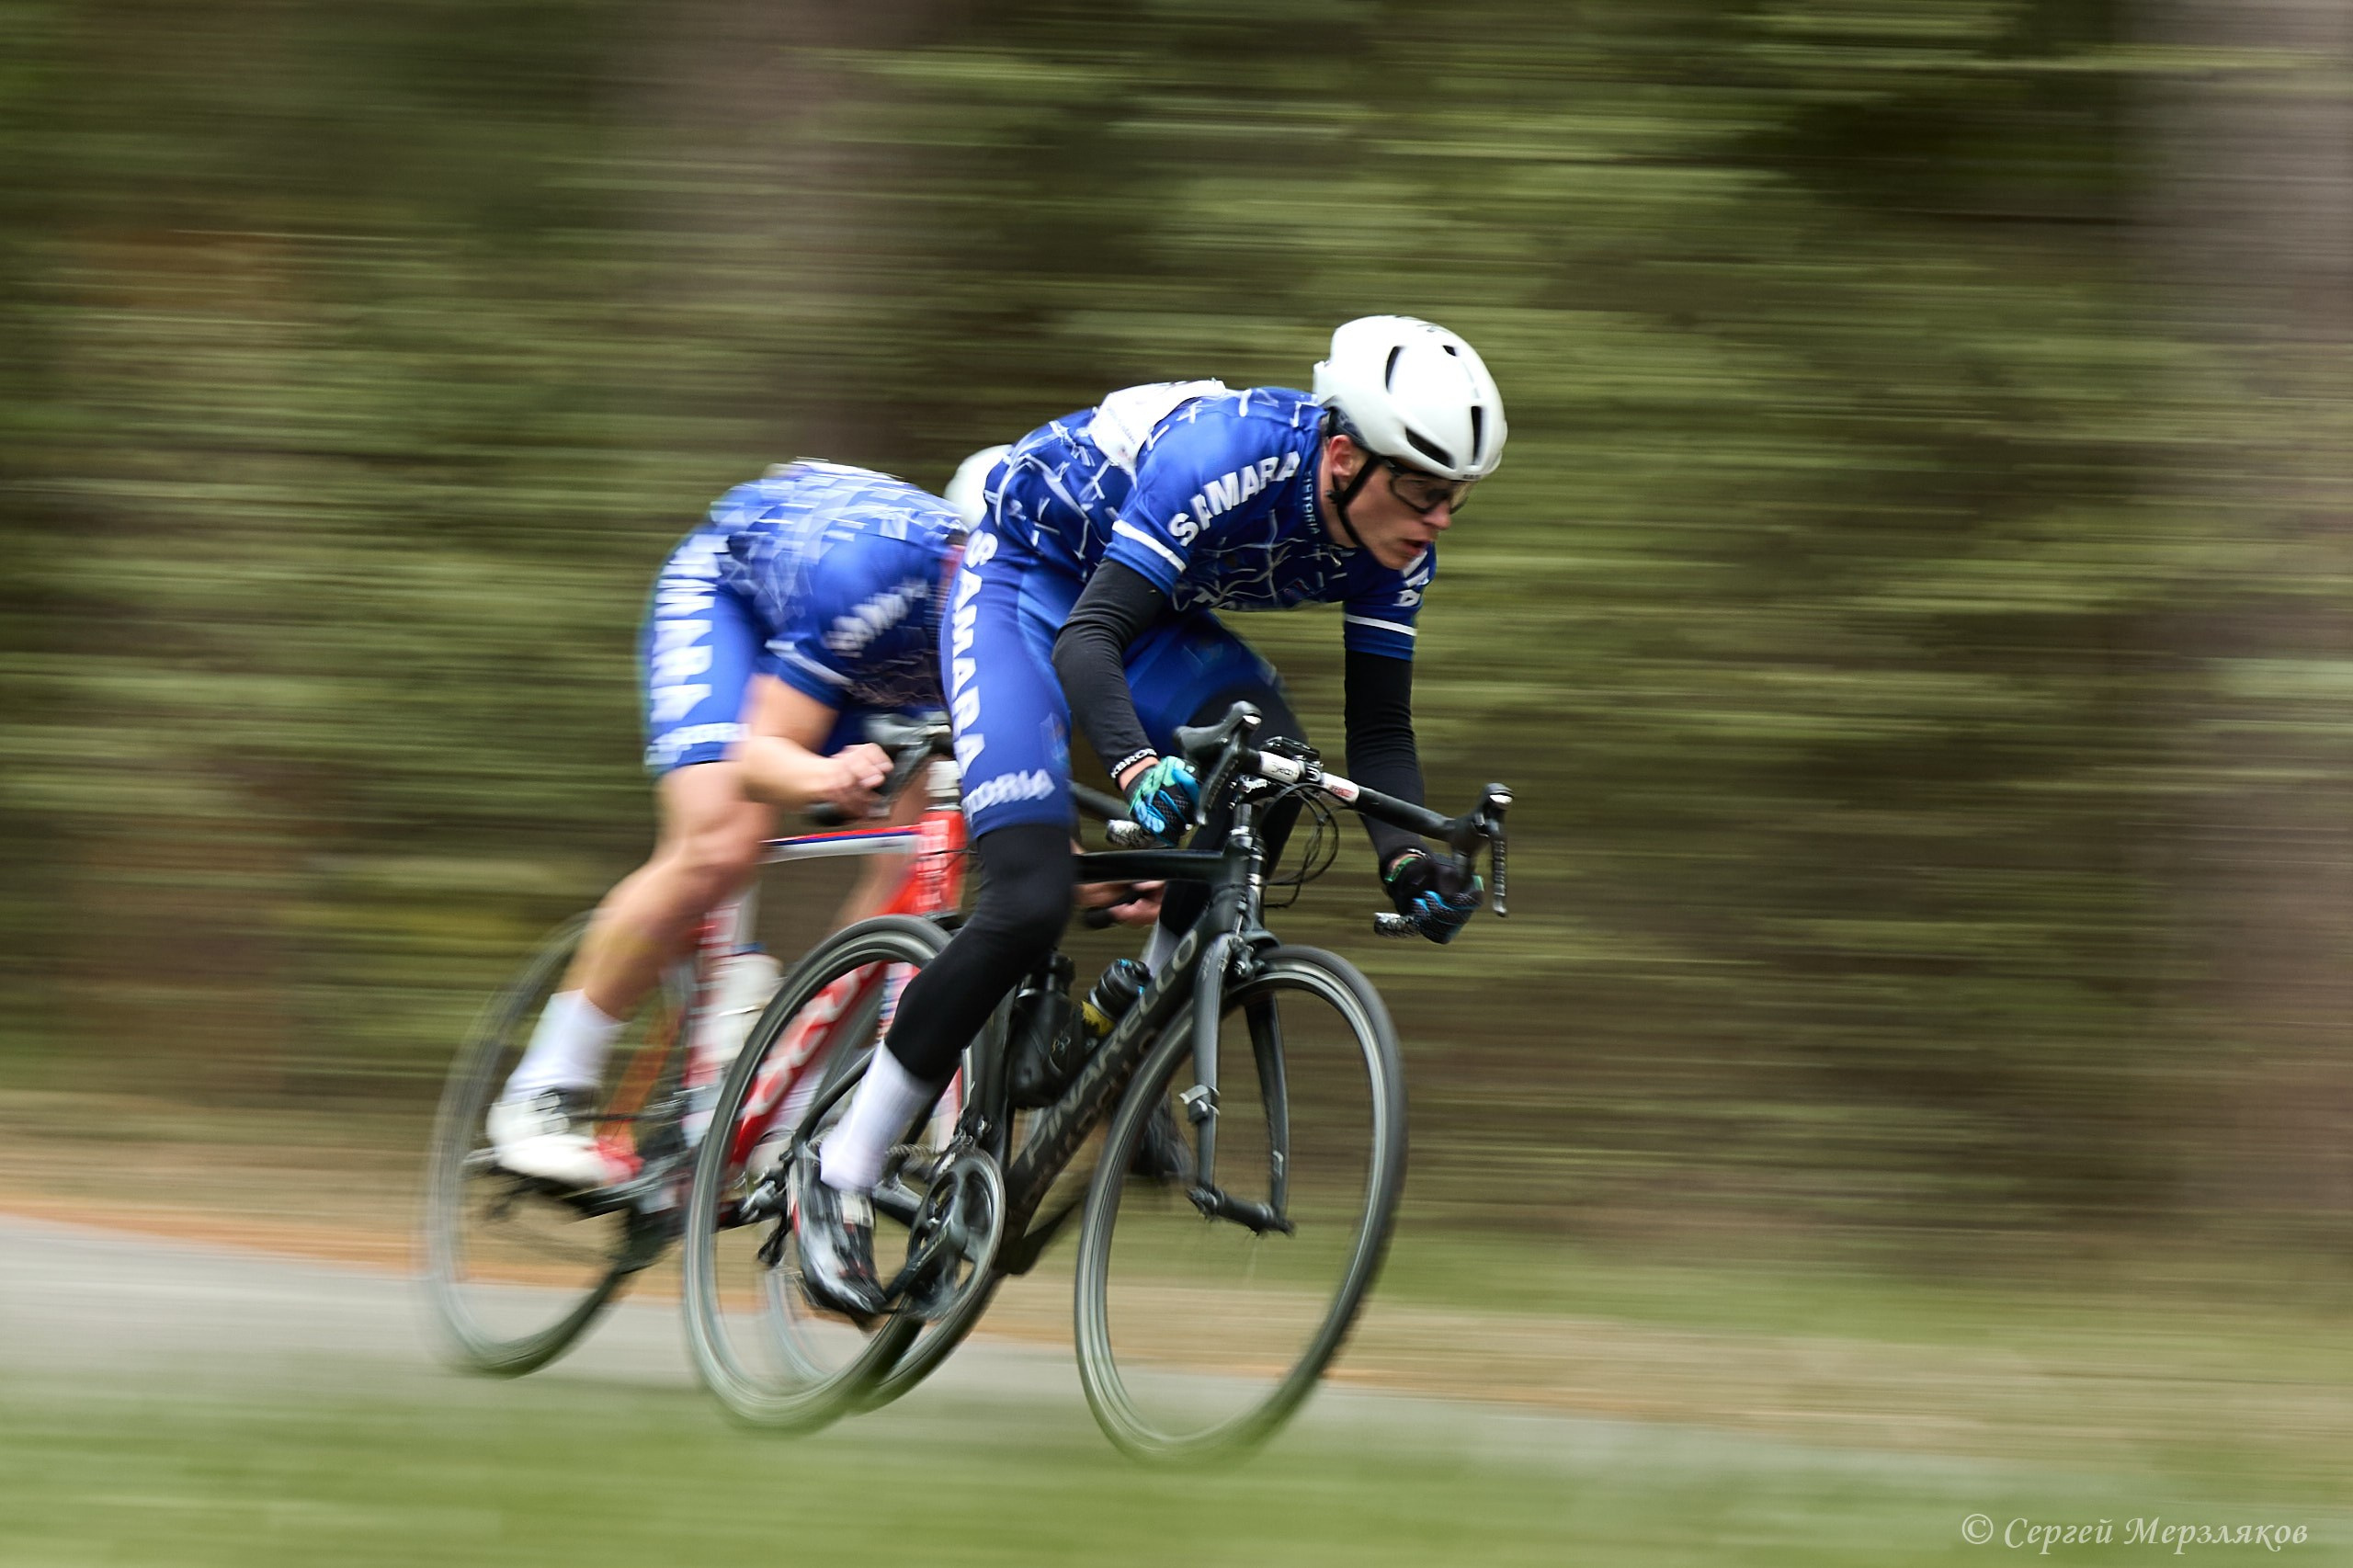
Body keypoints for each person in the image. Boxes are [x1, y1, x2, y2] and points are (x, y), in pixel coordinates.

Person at [794, 315, 1506, 1316]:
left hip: (1149, 611)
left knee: (1278, 772)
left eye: (1457, 497)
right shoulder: (1227, 453)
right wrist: (1135, 763)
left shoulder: (1395, 546)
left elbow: (1378, 732)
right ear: (1344, 456)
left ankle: (1128, 1019)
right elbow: (1088, 636)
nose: (1439, 517)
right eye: (1424, 490)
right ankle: (838, 1173)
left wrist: (1409, 858)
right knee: (1031, 896)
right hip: (1023, 583)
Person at [487, 460, 970, 1189]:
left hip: (864, 657)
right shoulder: (878, 569)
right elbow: (759, 756)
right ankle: (544, 1088)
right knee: (720, 843)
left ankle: (787, 1084)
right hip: (736, 602)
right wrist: (820, 775)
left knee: (914, 862)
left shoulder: (1023, 618)